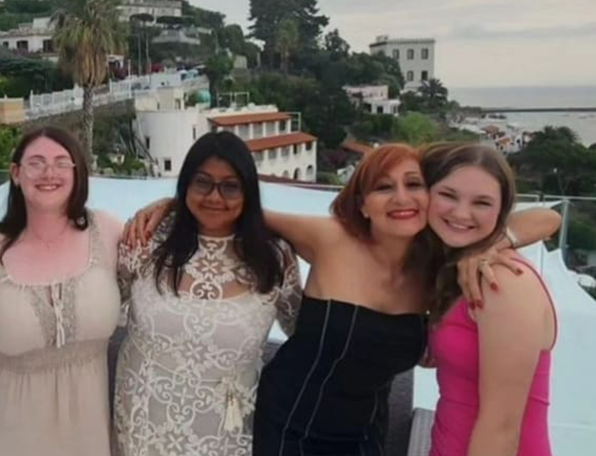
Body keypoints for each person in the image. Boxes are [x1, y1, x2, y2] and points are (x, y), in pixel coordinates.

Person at [127, 142, 559, 456]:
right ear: (363, 204)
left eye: (414, 184)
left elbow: (549, 216)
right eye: (384, 188)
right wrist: (173, 202)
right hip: (287, 424)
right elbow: (238, 211)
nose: (402, 198)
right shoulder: (331, 239)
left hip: (364, 434)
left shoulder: (437, 263)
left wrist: (498, 241)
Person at [114, 131, 302, 456]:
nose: (215, 197)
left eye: (230, 186)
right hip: (142, 423)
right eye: (202, 182)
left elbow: (303, 335)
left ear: (248, 191)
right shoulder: (147, 238)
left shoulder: (274, 257)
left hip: (226, 430)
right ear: (185, 184)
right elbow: (103, 306)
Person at [0, 126, 123, 456]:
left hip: (87, 430)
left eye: (62, 162)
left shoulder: (108, 232)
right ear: (16, 174)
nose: (49, 172)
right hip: (3, 427)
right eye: (36, 162)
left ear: (78, 173)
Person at [422, 143, 557, 456]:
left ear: (501, 212)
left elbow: (502, 426)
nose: (460, 213)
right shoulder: (455, 270)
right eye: (448, 195)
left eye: (482, 203)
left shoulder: (503, 280)